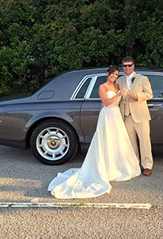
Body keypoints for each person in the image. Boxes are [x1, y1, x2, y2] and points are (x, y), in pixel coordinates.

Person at [48, 65, 141, 199]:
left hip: (116, 116)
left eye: (116, 75)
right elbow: (106, 102)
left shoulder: (117, 87)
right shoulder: (102, 87)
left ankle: (117, 167)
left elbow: (118, 102)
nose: (114, 77)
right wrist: (119, 95)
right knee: (106, 141)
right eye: (112, 74)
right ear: (107, 74)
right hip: (107, 116)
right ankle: (105, 169)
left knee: (118, 142)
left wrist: (123, 94)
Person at [117, 56, 154, 176]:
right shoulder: (119, 81)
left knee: (144, 141)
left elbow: (149, 94)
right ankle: (134, 164)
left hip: (140, 115)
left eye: (129, 65)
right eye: (125, 66)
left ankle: (147, 165)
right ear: (122, 67)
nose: (127, 67)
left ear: (133, 66)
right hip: (126, 115)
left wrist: (137, 96)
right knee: (131, 142)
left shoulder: (142, 79)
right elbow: (115, 96)